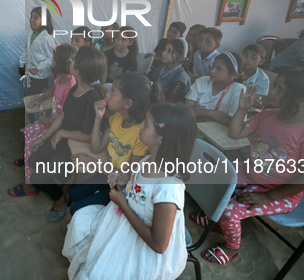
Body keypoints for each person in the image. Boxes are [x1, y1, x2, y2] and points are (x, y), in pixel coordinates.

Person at [191, 68, 304, 266]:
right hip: (249, 172)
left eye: (280, 89)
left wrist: (268, 197)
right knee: (213, 177)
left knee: (230, 211)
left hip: (279, 192)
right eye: (275, 86)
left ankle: (231, 247)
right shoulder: (268, 114)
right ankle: (217, 219)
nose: (272, 92)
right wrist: (243, 108)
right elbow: (235, 133)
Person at [62, 103, 197, 280]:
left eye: (146, 124)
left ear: (162, 138)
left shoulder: (168, 188)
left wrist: (122, 203)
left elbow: (158, 245)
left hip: (144, 248)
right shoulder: (149, 159)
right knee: (80, 219)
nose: (141, 126)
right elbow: (139, 185)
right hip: (126, 219)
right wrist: (122, 179)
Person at [26, 46, 107, 222]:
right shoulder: (74, 89)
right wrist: (44, 137)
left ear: (77, 70)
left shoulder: (92, 98)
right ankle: (61, 176)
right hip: (63, 139)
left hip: (75, 147)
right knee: (33, 161)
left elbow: (89, 136)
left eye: (73, 61)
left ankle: (59, 199)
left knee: (36, 176)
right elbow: (64, 115)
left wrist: (62, 134)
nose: (70, 62)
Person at [68, 72, 162, 215]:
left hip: (123, 187)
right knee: (73, 193)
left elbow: (127, 177)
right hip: (110, 172)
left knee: (76, 208)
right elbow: (96, 147)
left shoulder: (142, 134)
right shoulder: (118, 118)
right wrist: (98, 118)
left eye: (113, 92)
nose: (107, 95)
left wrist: (93, 163)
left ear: (128, 103)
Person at [8, 44, 77, 196]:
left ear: (61, 62)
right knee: (27, 132)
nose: (51, 60)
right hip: (52, 121)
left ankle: (30, 185)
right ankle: (29, 162)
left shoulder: (72, 87)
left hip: (57, 127)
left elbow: (64, 118)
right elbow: (52, 91)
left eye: (53, 58)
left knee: (32, 141)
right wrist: (40, 98)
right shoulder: (60, 78)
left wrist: (46, 123)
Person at [185, 52, 245, 125]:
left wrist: (198, 112)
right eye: (213, 66)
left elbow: (234, 122)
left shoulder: (238, 90)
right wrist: (212, 114)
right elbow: (186, 110)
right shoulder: (201, 81)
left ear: (234, 75)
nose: (212, 71)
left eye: (219, 69)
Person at [19, 7, 55, 99]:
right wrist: (21, 64)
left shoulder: (47, 38)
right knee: (27, 98)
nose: (31, 19)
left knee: (35, 101)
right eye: (31, 17)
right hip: (29, 74)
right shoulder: (29, 35)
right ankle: (29, 113)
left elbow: (51, 58)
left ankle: (34, 113)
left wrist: (38, 68)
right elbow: (26, 50)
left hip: (40, 77)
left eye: (36, 17)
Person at [151, 38, 191, 102]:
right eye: (164, 50)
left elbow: (170, 101)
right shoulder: (160, 68)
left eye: (169, 51)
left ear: (181, 57)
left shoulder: (181, 78)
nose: (163, 53)